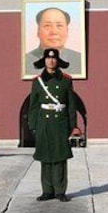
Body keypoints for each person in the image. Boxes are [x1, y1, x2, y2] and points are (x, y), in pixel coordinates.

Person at [28, 48, 79, 202]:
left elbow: (71, 104)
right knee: (45, 156)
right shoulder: (37, 81)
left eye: (54, 58)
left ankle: (60, 190)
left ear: (57, 60)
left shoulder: (66, 80)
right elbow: (34, 105)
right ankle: (47, 191)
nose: (51, 61)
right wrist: (33, 125)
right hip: (44, 122)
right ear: (44, 60)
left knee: (60, 157)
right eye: (48, 58)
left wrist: (73, 125)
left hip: (60, 122)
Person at [25, 7, 82, 76]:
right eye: (47, 26)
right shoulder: (25, 61)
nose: (54, 32)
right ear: (38, 31)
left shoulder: (79, 60)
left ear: (67, 31)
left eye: (59, 25)